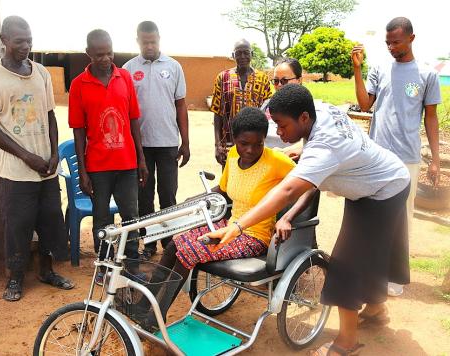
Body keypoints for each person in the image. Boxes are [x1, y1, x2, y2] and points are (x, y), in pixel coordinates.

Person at [206, 84, 411, 355]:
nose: (277, 133)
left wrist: (238, 225)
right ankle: (375, 310)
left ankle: (347, 343)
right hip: (371, 183)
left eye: (281, 125)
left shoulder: (325, 148)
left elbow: (289, 190)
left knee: (346, 265)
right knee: (370, 255)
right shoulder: (321, 111)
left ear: (304, 118)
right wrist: (304, 155)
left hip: (383, 190)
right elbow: (319, 164)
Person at [140, 107, 306, 330]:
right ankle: (143, 303)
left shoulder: (276, 160)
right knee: (173, 246)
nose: (250, 149)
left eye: (258, 143)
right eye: (244, 143)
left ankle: (154, 320)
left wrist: (287, 216)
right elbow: (223, 189)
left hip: (255, 237)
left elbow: (309, 184)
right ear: (234, 138)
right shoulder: (233, 156)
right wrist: (193, 200)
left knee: (187, 253)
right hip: (230, 227)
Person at [0, 16, 74, 301]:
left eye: (29, 40)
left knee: (48, 222)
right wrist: (26, 156)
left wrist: (54, 153)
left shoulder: (41, 73)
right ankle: (15, 279)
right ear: (4, 40)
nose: (26, 46)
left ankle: (47, 271)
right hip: (15, 172)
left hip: (45, 169)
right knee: (17, 227)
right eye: (19, 41)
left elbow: (49, 115)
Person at [352, 17, 441, 297]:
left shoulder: (427, 74)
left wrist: (435, 159)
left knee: (402, 217)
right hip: (377, 156)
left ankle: (395, 276)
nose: (391, 47)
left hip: (407, 158)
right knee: (372, 211)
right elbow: (366, 105)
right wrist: (357, 70)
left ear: (411, 39)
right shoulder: (380, 68)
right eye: (388, 42)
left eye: (396, 42)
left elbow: (432, 118)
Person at [69, 29, 147, 284]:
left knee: (130, 217)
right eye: (99, 54)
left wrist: (141, 160)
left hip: (126, 164)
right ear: (88, 54)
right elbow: (78, 131)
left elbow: (134, 120)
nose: (105, 58)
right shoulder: (79, 85)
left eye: (109, 52)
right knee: (102, 218)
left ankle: (132, 265)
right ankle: (103, 266)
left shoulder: (124, 77)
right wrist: (82, 171)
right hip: (98, 167)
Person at [123, 21, 189, 261]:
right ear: (137, 40)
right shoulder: (128, 69)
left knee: (168, 194)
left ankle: (168, 242)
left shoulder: (173, 67)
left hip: (168, 143)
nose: (149, 45)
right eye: (145, 41)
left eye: (153, 41)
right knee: (144, 195)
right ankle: (149, 242)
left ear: (159, 39)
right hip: (140, 146)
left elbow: (180, 105)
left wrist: (186, 142)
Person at [210, 39, 272, 166]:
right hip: (228, 143)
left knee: (254, 180)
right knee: (229, 181)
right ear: (233, 56)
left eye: (246, 52)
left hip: (254, 146)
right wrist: (217, 145)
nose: (242, 56)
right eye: (238, 53)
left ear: (252, 54)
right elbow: (217, 113)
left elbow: (268, 114)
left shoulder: (263, 79)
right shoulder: (223, 78)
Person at [261, 58, 303, 157]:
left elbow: (316, 139)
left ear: (299, 80)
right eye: (276, 81)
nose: (279, 85)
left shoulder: (308, 108)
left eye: (284, 80)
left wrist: (287, 152)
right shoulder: (266, 105)